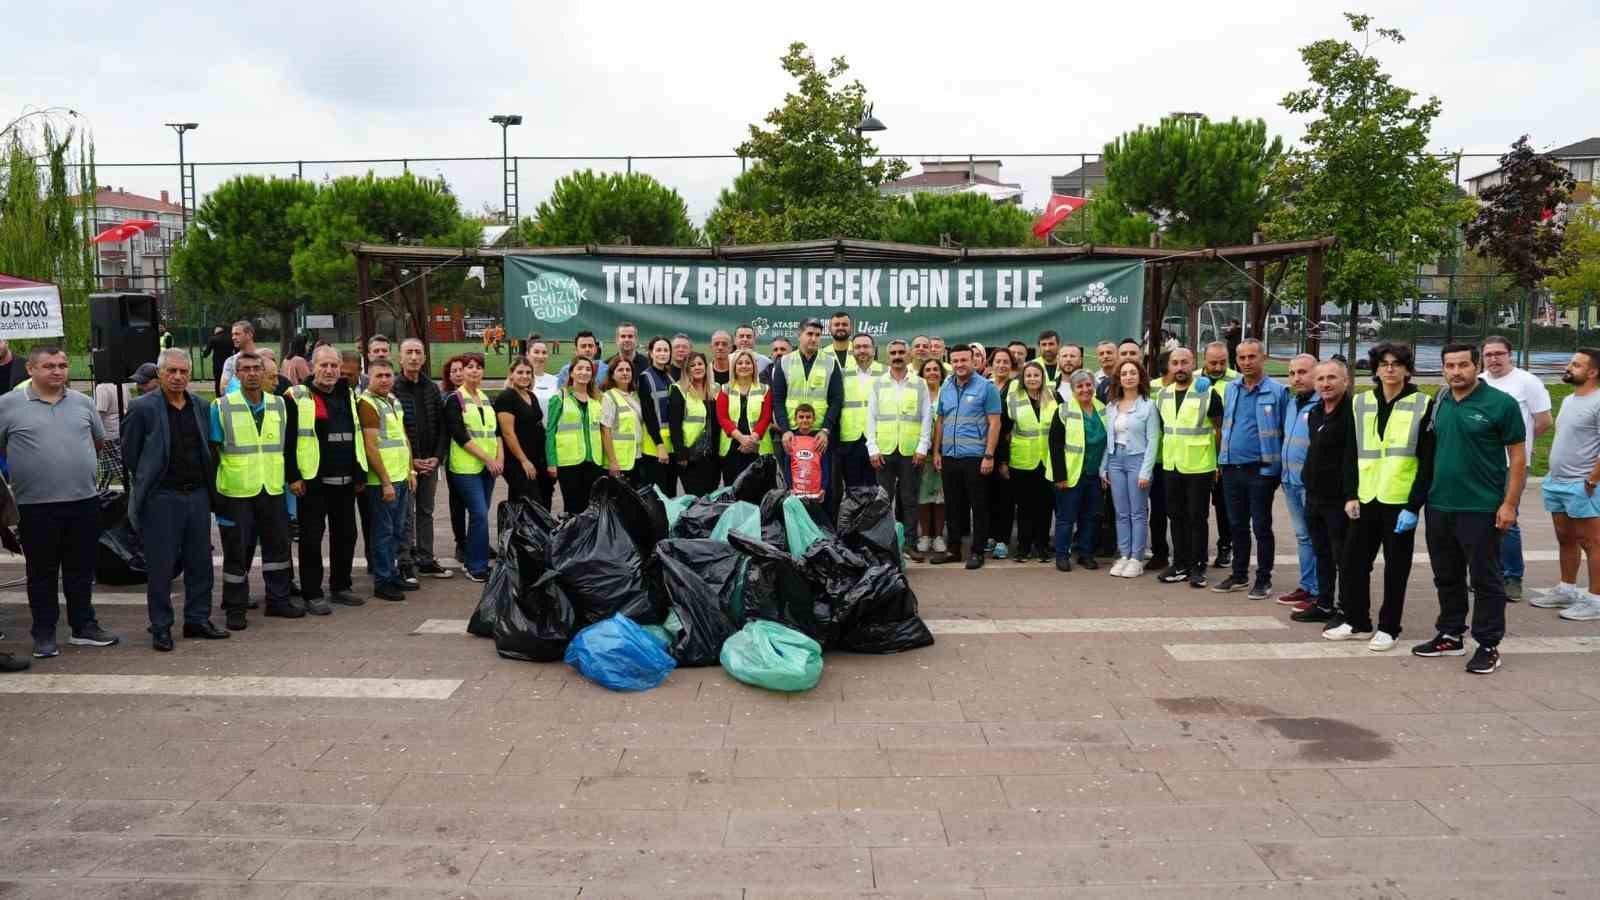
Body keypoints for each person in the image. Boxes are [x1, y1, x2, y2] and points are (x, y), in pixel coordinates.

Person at [0, 345, 119, 665]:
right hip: (36, 507)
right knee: (42, 573)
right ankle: (44, 632)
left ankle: (83, 626)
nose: (58, 371)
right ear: (31, 370)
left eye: (63, 365)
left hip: (83, 502)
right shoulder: (8, 405)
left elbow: (96, 441)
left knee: (81, 570)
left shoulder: (82, 403)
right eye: (49, 365)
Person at [1414, 343, 1526, 675]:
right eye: (1450, 366)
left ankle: (1488, 645)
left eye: (1463, 365)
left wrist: (1509, 504)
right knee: (1446, 575)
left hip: (1481, 507)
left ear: (1476, 366)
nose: (1456, 372)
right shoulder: (1441, 400)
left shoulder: (1500, 404)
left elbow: (1518, 458)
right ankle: (1450, 634)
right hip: (1440, 505)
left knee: (1485, 579)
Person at [1319, 344, 1435, 647]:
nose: (1390, 369)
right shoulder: (1361, 403)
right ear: (1376, 369)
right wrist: (1350, 494)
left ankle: (1389, 627)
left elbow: (1427, 462)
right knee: (1352, 562)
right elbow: (1350, 453)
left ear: (1407, 370)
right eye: (1384, 364)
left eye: (1397, 364)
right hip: (1366, 497)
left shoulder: (1423, 404)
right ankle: (1357, 621)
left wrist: (1414, 505)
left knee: (1396, 569)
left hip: (1399, 500)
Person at [123, 349, 226, 651]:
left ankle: (197, 619)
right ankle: (161, 625)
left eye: (184, 372)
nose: (178, 377)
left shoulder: (202, 406)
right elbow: (132, 454)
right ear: (160, 373)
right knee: (161, 566)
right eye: (172, 372)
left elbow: (210, 448)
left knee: (200, 563)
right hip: (161, 498)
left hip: (197, 495)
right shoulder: (142, 408)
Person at [209, 351, 299, 629]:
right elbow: (213, 453)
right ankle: (235, 607)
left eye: (256, 369)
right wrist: (216, 497)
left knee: (278, 548)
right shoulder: (221, 406)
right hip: (236, 492)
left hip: (271, 489)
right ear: (237, 374)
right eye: (245, 369)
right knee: (236, 552)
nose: (251, 373)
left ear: (264, 373)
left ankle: (278, 600)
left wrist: (292, 480)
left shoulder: (280, 406)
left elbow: (289, 448)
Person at [285, 345, 367, 614]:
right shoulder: (297, 396)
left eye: (334, 365)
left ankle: (341, 586)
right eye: (324, 365)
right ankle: (312, 593)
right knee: (311, 539)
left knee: (346, 536)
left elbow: (356, 436)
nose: (330, 371)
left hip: (345, 481)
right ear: (312, 366)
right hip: (313, 483)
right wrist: (293, 476)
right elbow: (288, 440)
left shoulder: (349, 396)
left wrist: (359, 473)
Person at [1212, 339, 1288, 599]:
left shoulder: (1278, 392)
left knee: (1262, 526)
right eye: (1242, 357)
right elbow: (1226, 425)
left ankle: (1263, 578)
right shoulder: (1231, 389)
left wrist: (1276, 470)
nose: (1246, 362)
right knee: (1236, 525)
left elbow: (1285, 432)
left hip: (1260, 470)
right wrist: (1222, 460)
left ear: (1263, 358)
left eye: (1251, 357)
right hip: (1231, 468)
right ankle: (1239, 574)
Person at [1480, 335, 1553, 600]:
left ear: (1510, 355)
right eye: (1488, 355)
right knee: (1481, 520)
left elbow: (1543, 421)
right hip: (1483, 464)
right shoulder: (1480, 382)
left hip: (1513, 464)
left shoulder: (1527, 382)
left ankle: (1512, 577)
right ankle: (1489, 574)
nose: (1494, 359)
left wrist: (1522, 447)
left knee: (1507, 519)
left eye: (1499, 354)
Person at [1534, 349, 1600, 620]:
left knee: (1592, 542)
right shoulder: (1572, 399)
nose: (1569, 367)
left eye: (1576, 364)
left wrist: (1592, 479)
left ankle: (1596, 600)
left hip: (1583, 484)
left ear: (1593, 372)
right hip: (1557, 482)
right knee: (1565, 538)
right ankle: (1567, 589)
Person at [1292, 360, 1355, 627]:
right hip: (1314, 495)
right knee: (1322, 552)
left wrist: (1352, 494)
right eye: (1321, 379)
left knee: (1344, 556)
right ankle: (1325, 602)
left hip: (1339, 498)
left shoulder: (1352, 413)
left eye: (1332, 378)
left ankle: (1347, 608)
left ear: (1346, 381)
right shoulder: (1317, 411)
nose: (1326, 384)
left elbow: (1353, 457)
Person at [1155, 348, 1222, 588]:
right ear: (1169, 367)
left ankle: (1198, 566)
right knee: (1176, 516)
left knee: (1197, 518)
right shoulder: (1163, 395)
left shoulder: (1207, 393)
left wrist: (1216, 463)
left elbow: (1218, 429)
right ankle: (1180, 563)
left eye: (1185, 362)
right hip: (1172, 465)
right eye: (1175, 363)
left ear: (1194, 364)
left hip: (1199, 466)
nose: (1180, 367)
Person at [931, 344, 1001, 569]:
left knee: (978, 506)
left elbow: (995, 423)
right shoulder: (947, 386)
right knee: (953, 505)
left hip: (975, 457)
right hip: (950, 456)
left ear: (973, 361)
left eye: (964, 360)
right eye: (956, 361)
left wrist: (989, 455)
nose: (960, 365)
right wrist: (937, 451)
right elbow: (941, 421)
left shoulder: (986, 388)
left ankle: (977, 551)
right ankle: (953, 550)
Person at [867, 339, 932, 556]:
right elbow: (871, 417)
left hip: (910, 451)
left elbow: (926, 417)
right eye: (893, 352)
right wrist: (872, 448)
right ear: (887, 356)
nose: (897, 356)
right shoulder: (878, 383)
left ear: (909, 355)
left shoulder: (919, 383)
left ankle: (910, 544)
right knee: (883, 500)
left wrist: (923, 446)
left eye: (901, 352)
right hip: (884, 450)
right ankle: (884, 544)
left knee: (910, 499)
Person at [393, 339, 451, 578]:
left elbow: (441, 426)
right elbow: (395, 431)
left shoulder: (431, 388)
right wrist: (412, 461)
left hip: (431, 462)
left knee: (426, 512)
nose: (414, 357)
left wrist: (437, 458)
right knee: (405, 515)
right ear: (401, 358)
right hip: (408, 465)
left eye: (418, 352)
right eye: (409, 353)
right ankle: (405, 562)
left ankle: (426, 558)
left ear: (425, 358)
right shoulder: (394, 388)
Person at [357, 359, 413, 602]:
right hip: (382, 481)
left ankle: (391, 573)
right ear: (368, 377)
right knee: (383, 532)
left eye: (388, 375)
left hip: (400, 476)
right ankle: (382, 580)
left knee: (397, 531)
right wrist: (386, 481)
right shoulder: (367, 403)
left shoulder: (392, 401)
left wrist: (410, 471)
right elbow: (371, 447)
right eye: (379, 375)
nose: (384, 380)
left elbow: (403, 438)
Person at [771, 319, 843, 500]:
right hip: (792, 434)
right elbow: (777, 400)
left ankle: (823, 527)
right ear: (799, 335)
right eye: (809, 334)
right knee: (793, 487)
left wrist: (826, 430)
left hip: (819, 434)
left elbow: (836, 399)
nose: (813, 339)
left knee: (821, 486)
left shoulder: (830, 363)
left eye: (818, 335)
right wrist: (786, 430)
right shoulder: (784, 362)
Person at [447, 354, 503, 582]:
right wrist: (489, 460)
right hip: (466, 468)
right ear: (462, 371)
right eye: (469, 367)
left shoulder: (485, 398)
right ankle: (476, 566)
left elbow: (495, 432)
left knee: (479, 516)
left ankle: (474, 559)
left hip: (487, 469)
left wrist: (499, 458)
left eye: (478, 368)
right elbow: (461, 436)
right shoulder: (454, 399)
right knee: (479, 514)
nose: (474, 371)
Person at [1101, 359, 1160, 577]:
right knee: (1121, 512)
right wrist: (1104, 467)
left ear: (1140, 377)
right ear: (1119, 378)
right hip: (1116, 460)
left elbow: (1153, 440)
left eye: (1132, 373)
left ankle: (1137, 557)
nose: (1128, 377)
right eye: (1124, 373)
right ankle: (1124, 555)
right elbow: (1109, 439)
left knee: (1138, 512)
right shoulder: (1111, 406)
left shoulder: (1148, 406)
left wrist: (1146, 471)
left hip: (1137, 460)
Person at [1000, 361, 1057, 564]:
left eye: (1036, 375)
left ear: (1043, 378)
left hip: (1047, 460)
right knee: (1024, 506)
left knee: (1045, 506)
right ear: (1023, 379)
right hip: (1022, 460)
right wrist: (1003, 461)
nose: (1032, 379)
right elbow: (1004, 432)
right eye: (1028, 376)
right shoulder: (1013, 399)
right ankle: (1024, 547)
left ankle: (1042, 546)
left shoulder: (1054, 398)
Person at [1275, 354, 1321, 608]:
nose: (1296, 378)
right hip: (1290, 482)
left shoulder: (1321, 403)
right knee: (1303, 536)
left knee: (1317, 538)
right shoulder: (1292, 403)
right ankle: (1306, 585)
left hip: (1311, 485)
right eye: (1292, 373)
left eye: (1302, 372)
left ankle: (1319, 590)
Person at [1049, 369, 1105, 570]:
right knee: (1066, 517)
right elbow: (1055, 445)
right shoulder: (1063, 410)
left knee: (1091, 516)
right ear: (1073, 389)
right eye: (1079, 386)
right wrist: (1060, 476)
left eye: (1088, 384)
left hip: (1094, 474)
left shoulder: (1103, 408)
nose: (1085, 389)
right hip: (1070, 474)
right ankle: (1062, 555)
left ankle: (1085, 553)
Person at [546, 355, 605, 511]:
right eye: (580, 368)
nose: (584, 372)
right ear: (571, 373)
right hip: (569, 463)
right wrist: (551, 462)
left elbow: (602, 433)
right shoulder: (559, 398)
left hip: (593, 462)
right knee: (572, 508)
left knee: (591, 509)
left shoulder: (597, 401)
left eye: (588, 369)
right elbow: (550, 431)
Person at [1201, 341, 1240, 570]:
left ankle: (1226, 546)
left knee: (1225, 505)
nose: (1217, 367)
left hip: (1226, 453)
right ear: (1204, 360)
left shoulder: (1236, 380)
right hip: (1198, 453)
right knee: (1197, 507)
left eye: (1222, 362)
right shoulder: (1194, 378)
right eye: (1213, 362)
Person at [718, 348, 773, 488]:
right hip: (733, 448)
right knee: (734, 490)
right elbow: (722, 417)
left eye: (748, 363)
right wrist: (742, 438)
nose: (744, 366)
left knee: (758, 490)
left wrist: (752, 439)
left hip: (757, 447)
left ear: (754, 367)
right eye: (740, 363)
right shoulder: (725, 389)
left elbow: (766, 417)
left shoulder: (764, 389)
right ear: (734, 367)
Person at [496, 358, 548, 504]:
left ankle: (514, 527)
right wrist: (524, 460)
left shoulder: (531, 396)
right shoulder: (506, 397)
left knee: (520, 504)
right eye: (520, 372)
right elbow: (508, 433)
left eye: (528, 373)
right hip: (517, 460)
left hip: (535, 457)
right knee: (533, 502)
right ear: (511, 374)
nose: (525, 376)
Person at [669, 352, 721, 496]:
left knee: (711, 499)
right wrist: (681, 454)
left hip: (712, 455)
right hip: (691, 456)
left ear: (706, 366)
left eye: (700, 364)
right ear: (686, 369)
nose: (697, 367)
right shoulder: (678, 390)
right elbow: (675, 426)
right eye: (692, 365)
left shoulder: (716, 388)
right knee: (695, 500)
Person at [838, 333, 884, 489]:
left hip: (878, 440)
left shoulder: (886, 373)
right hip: (850, 440)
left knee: (876, 490)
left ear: (873, 349)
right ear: (852, 351)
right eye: (857, 347)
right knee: (853, 489)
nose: (862, 350)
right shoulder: (841, 373)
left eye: (866, 346)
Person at [637, 336, 678, 497]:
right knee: (657, 495)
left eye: (666, 350)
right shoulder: (645, 377)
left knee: (670, 492)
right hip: (655, 445)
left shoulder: (669, 376)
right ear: (651, 353)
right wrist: (659, 445)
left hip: (671, 444)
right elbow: (648, 414)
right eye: (658, 350)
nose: (662, 353)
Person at [600, 355, 644, 485]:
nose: (625, 373)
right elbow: (605, 430)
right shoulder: (609, 397)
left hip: (636, 456)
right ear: (612, 375)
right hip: (619, 462)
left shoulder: (634, 396)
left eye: (628, 370)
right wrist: (613, 461)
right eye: (620, 370)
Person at [786, 403, 828, 500]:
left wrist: (824, 488)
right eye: (801, 417)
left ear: (814, 420)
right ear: (795, 419)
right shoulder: (791, 440)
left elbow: (825, 466)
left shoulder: (820, 440)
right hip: (796, 492)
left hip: (815, 492)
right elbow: (787, 466)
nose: (805, 420)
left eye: (808, 417)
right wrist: (790, 487)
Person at [203, 326, 232, 390]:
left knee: (218, 381)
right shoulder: (230, 338)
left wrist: (204, 354)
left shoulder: (213, 339)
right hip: (230, 363)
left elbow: (207, 352)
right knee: (230, 380)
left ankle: (219, 396)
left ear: (216, 331)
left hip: (217, 364)